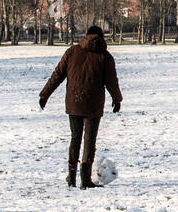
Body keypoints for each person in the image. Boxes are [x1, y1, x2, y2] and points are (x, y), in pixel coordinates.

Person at [39, 25, 122, 189]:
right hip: (93, 104)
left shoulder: (72, 52)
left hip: (74, 101)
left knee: (75, 138)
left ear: (87, 35)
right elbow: (112, 81)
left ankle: (71, 177)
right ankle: (85, 180)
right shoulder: (105, 56)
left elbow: (57, 75)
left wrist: (44, 95)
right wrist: (117, 99)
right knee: (89, 141)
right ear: (101, 37)